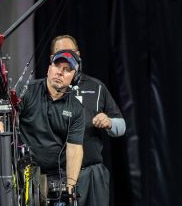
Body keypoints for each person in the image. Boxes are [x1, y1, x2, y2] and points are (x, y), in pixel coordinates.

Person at [0, 49, 85, 203]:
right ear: (49, 69)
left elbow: (74, 148)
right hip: (23, 173)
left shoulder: (76, 108)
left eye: (67, 70)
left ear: (75, 77)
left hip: (55, 176)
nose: (60, 72)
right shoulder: (26, 91)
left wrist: (70, 188)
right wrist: (9, 157)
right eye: (57, 66)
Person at [50, 35, 126, 206]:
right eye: (60, 54)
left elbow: (122, 126)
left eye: (70, 53)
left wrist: (110, 122)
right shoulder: (43, 90)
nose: (66, 58)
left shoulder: (96, 86)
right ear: (51, 60)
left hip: (92, 175)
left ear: (78, 56)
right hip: (57, 176)